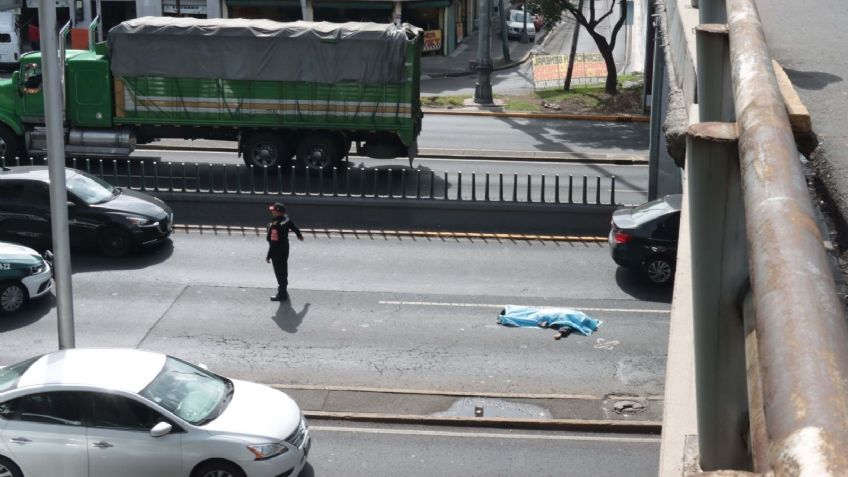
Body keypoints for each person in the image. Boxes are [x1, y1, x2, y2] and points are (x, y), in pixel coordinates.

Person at [266, 202, 303, 301]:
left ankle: (282, 294)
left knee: (279, 272)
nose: (272, 212)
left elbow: (273, 242)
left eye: (273, 210)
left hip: (277, 251)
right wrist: (299, 234)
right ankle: (284, 290)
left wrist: (269, 255)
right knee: (284, 269)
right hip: (285, 248)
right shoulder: (286, 219)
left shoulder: (275, 225)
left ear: (278, 212)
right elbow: (293, 226)